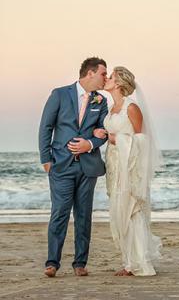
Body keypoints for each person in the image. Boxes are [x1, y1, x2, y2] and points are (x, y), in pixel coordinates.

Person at [38, 57, 109, 278]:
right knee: (59, 213)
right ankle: (52, 263)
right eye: (103, 74)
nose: (105, 78)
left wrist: (90, 143)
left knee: (84, 215)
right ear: (90, 73)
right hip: (61, 166)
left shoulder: (101, 100)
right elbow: (45, 127)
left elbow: (104, 131)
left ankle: (80, 263)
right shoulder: (60, 94)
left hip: (88, 167)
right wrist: (46, 159)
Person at [94, 66, 162, 276]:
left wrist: (115, 139)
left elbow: (142, 141)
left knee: (131, 210)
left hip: (130, 167)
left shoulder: (131, 108)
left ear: (119, 84)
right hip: (114, 164)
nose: (106, 79)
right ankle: (127, 261)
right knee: (118, 211)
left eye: (111, 77)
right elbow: (112, 131)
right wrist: (102, 133)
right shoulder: (111, 108)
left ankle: (139, 262)